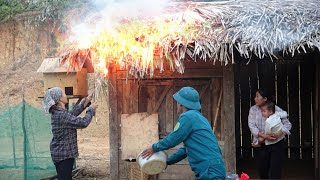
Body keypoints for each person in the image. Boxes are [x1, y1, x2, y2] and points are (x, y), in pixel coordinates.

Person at [141, 86, 226, 179]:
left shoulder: (187, 117)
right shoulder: (201, 118)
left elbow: (173, 139)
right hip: (214, 168)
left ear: (181, 103)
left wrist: (154, 147)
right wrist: (167, 161)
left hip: (209, 170)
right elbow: (185, 150)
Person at [43, 87, 98, 180]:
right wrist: (90, 110)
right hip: (63, 155)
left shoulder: (59, 112)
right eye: (64, 94)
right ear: (59, 99)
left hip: (62, 154)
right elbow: (83, 123)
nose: (66, 96)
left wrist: (85, 103)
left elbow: (71, 115)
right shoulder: (61, 115)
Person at [248, 89, 292, 179]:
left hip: (276, 143)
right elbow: (252, 126)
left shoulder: (274, 108)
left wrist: (279, 133)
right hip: (261, 144)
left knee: (275, 171)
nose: (255, 98)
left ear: (265, 99)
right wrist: (265, 136)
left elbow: (288, 124)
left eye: (257, 96)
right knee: (262, 170)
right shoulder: (253, 110)